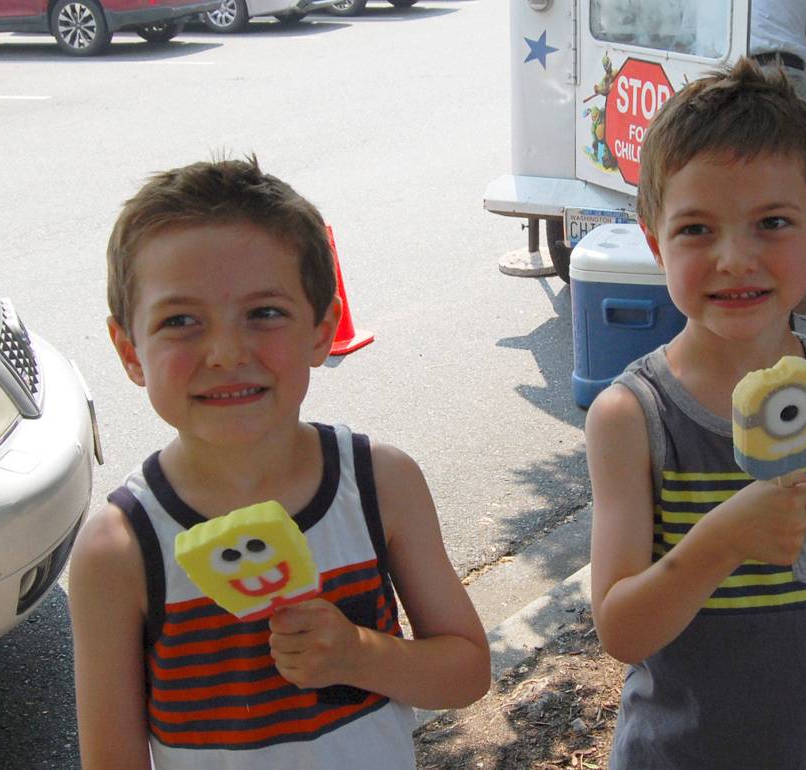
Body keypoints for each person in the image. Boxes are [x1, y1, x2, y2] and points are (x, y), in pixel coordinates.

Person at [68, 157, 490, 770]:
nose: (226, 351)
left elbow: (467, 671)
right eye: (180, 321)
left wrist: (358, 656)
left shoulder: (381, 485)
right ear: (130, 352)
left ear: (322, 330)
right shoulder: (120, 551)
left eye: (264, 313)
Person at [586, 59, 806, 769]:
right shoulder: (631, 419)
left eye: (772, 223)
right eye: (697, 229)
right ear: (653, 241)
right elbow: (621, 630)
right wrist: (722, 541)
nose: (735, 258)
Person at [750, 0, 806, 341]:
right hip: (787, 77)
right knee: (805, 214)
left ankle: (741, 338)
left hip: (719, 74)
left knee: (728, 214)